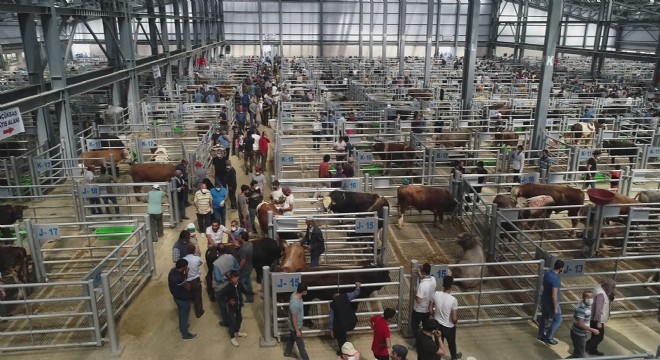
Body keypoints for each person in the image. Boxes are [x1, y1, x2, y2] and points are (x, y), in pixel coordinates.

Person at [429, 275, 462, 360]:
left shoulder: (435, 294)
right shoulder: (453, 300)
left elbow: (430, 309)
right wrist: (456, 319)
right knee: (451, 344)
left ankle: (437, 358)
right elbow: (454, 319)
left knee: (438, 344)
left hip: (437, 325)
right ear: (451, 286)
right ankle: (454, 357)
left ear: (443, 284)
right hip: (448, 328)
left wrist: (435, 316)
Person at [217, 270, 249, 346]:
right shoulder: (227, 287)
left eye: (236, 277)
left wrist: (254, 293)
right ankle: (232, 338)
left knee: (239, 319)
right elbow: (219, 297)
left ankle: (237, 332)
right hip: (231, 307)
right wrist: (228, 301)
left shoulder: (240, 285)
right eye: (233, 277)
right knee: (232, 322)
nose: (235, 279)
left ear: (238, 277)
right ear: (230, 278)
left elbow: (245, 291)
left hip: (238, 306)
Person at [168, 258, 197, 340]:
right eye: (186, 267)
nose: (187, 267)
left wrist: (185, 273)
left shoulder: (172, 271)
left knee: (181, 314)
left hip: (176, 296)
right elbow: (188, 287)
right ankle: (185, 335)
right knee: (184, 316)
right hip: (182, 299)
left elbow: (183, 280)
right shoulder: (178, 278)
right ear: (183, 267)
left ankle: (182, 327)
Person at [586, 278, 616, 356]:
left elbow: (610, 298)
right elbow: (598, 309)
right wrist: (598, 322)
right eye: (612, 287)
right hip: (597, 319)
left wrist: (611, 295)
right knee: (599, 337)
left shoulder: (599, 288)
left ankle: (592, 350)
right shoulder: (601, 295)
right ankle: (585, 348)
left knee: (595, 336)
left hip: (593, 318)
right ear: (607, 286)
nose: (612, 289)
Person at [538, 259, 565, 345]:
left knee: (544, 317)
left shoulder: (547, 273)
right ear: (561, 268)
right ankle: (548, 337)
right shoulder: (555, 279)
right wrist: (555, 307)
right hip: (551, 303)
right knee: (558, 319)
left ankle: (541, 334)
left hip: (544, 299)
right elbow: (554, 295)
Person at [212, 244, 240, 327]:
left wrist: (225, 277)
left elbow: (218, 278)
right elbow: (237, 268)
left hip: (220, 287)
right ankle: (234, 318)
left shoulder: (216, 263)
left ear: (217, 251)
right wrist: (231, 275)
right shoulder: (231, 257)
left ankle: (226, 321)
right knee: (231, 302)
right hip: (230, 285)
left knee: (222, 305)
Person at [330, 282, 361, 354]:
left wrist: (331, 329)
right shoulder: (346, 296)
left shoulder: (333, 304)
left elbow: (331, 318)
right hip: (351, 323)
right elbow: (356, 293)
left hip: (341, 326)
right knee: (342, 331)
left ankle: (342, 351)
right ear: (339, 295)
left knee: (340, 336)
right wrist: (358, 286)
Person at [567, 290, 599, 358]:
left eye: (591, 297)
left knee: (577, 351)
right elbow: (580, 324)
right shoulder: (581, 309)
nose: (590, 299)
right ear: (583, 297)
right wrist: (593, 330)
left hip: (579, 333)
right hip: (579, 335)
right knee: (581, 355)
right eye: (587, 296)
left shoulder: (585, 305)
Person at [283, 282, 310, 360]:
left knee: (291, 338)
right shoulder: (295, 303)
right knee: (301, 346)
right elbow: (294, 318)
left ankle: (287, 352)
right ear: (303, 292)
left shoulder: (294, 294)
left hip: (293, 327)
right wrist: (297, 330)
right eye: (306, 290)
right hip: (296, 327)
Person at [412, 263, 437, 334]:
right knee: (425, 327)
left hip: (419, 310)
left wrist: (414, 292)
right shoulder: (433, 279)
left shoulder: (422, 286)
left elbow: (418, 300)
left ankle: (417, 341)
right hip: (427, 309)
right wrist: (418, 273)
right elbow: (424, 278)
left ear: (423, 272)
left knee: (415, 327)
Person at [183, 243, 204, 318]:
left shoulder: (184, 259)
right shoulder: (197, 259)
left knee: (188, 295)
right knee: (198, 297)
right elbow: (201, 263)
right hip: (195, 280)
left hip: (187, 281)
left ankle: (187, 314)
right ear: (194, 250)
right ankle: (199, 312)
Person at [235, 232, 255, 303]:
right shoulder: (250, 244)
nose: (238, 238)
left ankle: (242, 299)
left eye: (239, 237)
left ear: (242, 238)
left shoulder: (244, 249)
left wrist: (238, 270)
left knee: (242, 284)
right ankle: (250, 298)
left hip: (244, 269)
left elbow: (243, 261)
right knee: (248, 282)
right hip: (250, 266)